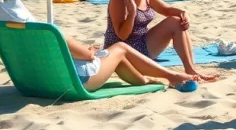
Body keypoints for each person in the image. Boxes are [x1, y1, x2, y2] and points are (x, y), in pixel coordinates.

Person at [104, 0, 217, 81]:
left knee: (176, 21)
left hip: (142, 42)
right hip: (123, 51)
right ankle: (189, 70)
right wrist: (132, 13)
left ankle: (190, 69)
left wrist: (183, 13)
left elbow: (165, 10)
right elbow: (121, 35)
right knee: (174, 22)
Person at [65, 33, 198, 92]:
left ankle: (143, 80)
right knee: (120, 47)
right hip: (80, 80)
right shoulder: (59, 35)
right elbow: (88, 56)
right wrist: (91, 51)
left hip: (54, 80)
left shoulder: (44, 32)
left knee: (118, 57)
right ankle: (172, 76)